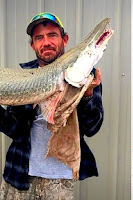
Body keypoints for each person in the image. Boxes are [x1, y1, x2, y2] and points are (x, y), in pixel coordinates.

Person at [0, 12, 103, 200]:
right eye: (39, 37)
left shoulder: (87, 74)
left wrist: (87, 95)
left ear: (65, 39)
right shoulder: (23, 77)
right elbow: (13, 129)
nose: (46, 42)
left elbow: (92, 128)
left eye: (52, 35)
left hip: (59, 180)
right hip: (19, 173)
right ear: (33, 45)